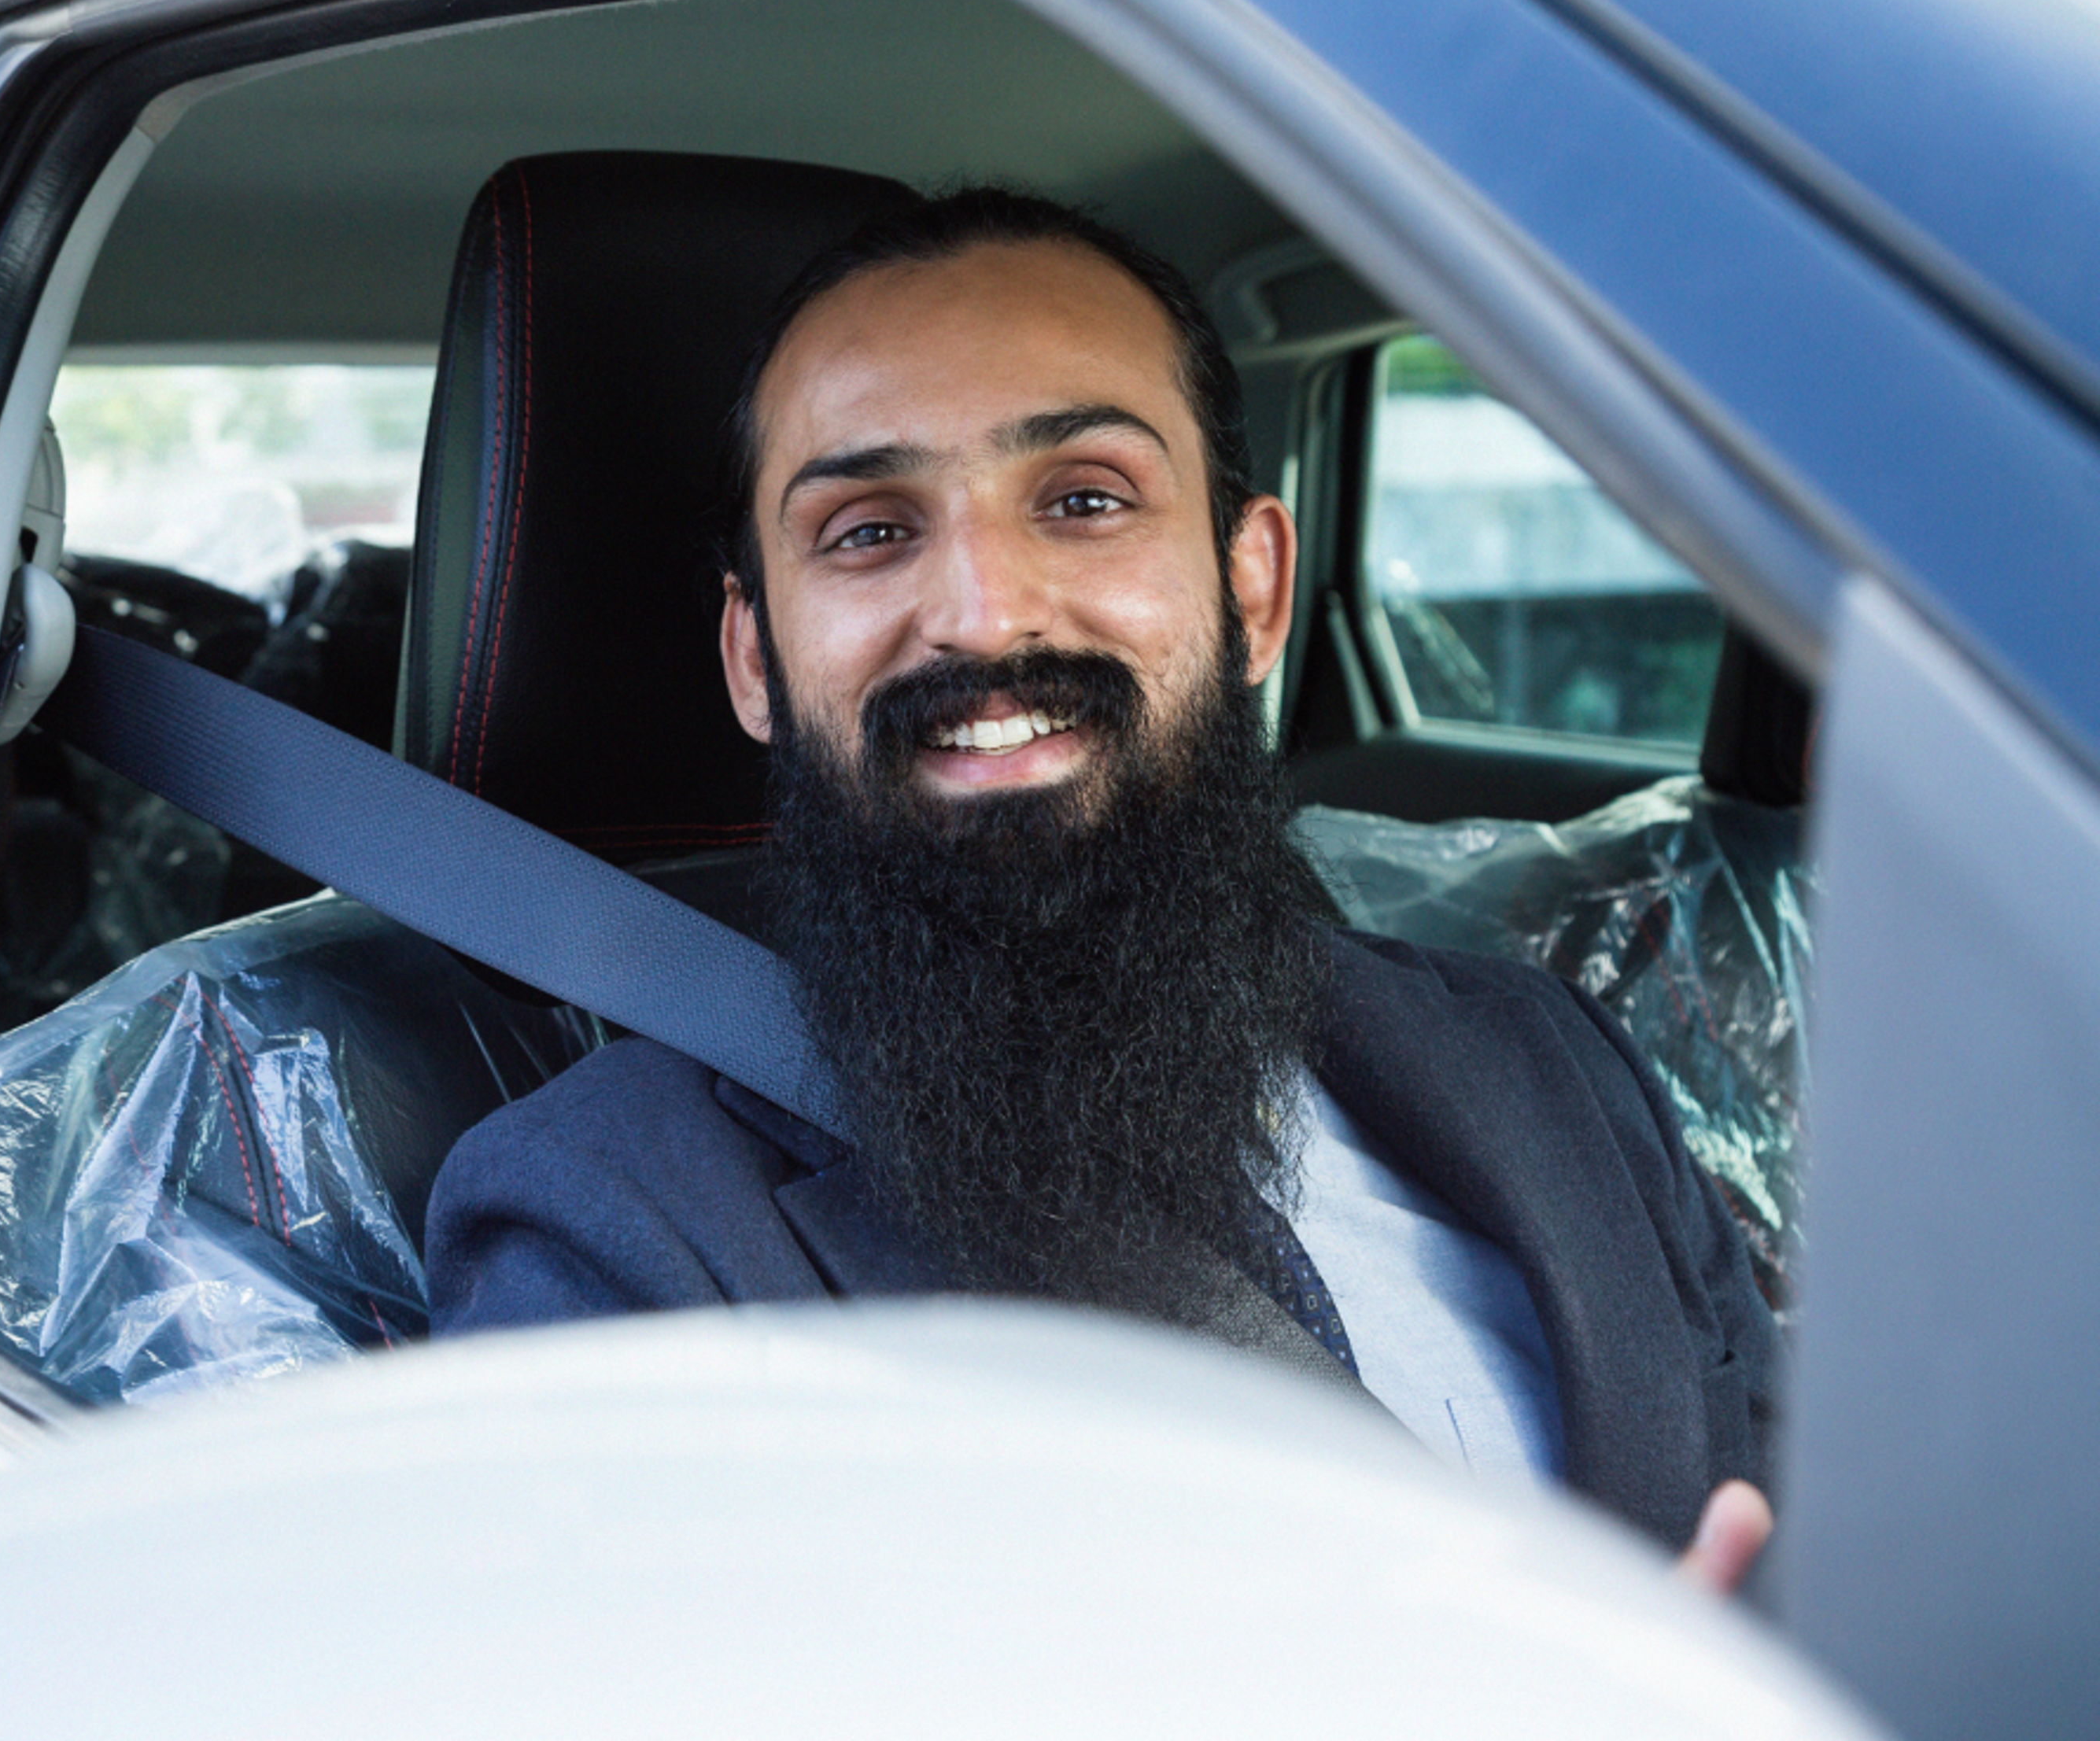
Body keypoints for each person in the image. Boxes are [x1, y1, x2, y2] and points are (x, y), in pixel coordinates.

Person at [422, 189, 1778, 1588]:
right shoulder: (611, 1227)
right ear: (755, 659)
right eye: (869, 529)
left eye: (1083, 501)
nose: (983, 614)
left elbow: (1805, 1546)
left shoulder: (1551, 1060)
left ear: (1254, 592)